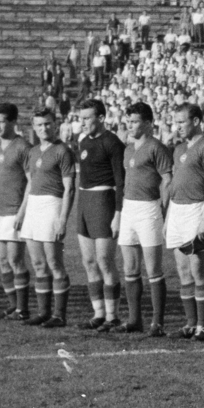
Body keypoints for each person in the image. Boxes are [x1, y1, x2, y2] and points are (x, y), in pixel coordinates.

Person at [165, 103, 204, 340]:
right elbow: (175, 185)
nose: (176, 127)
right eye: (175, 122)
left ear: (196, 121)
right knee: (182, 270)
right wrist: (168, 216)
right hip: (177, 211)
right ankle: (190, 323)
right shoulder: (178, 149)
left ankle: (203, 324)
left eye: (181, 122)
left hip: (196, 210)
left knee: (197, 268)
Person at [19, 107, 78, 327]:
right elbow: (30, 184)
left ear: (55, 124)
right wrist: (23, 212)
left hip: (52, 205)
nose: (44, 128)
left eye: (48, 124)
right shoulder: (33, 151)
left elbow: (69, 188)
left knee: (54, 262)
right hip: (33, 206)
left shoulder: (63, 151)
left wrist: (63, 219)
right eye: (40, 125)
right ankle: (43, 312)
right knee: (37, 263)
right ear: (33, 127)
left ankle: (59, 314)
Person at [118, 102, 172, 335]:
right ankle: (134, 319)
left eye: (135, 121)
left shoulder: (156, 147)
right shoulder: (128, 148)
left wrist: (162, 208)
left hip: (149, 209)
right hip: (129, 208)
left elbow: (167, 179)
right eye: (128, 121)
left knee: (153, 269)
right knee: (130, 267)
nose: (130, 125)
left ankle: (157, 323)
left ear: (148, 123)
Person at [73, 99, 125, 331]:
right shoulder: (83, 141)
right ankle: (98, 313)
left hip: (104, 201)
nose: (82, 122)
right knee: (89, 261)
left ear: (101, 118)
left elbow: (121, 181)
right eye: (80, 118)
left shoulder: (112, 142)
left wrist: (118, 214)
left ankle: (112, 316)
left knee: (105, 260)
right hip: (84, 202)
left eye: (87, 118)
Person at [0, 103, 32, 320]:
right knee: (1, 260)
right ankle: (13, 306)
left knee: (15, 260)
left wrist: (23, 211)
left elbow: (32, 182)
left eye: (1, 121)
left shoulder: (23, 147)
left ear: (13, 122)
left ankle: (23, 308)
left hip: (14, 210)